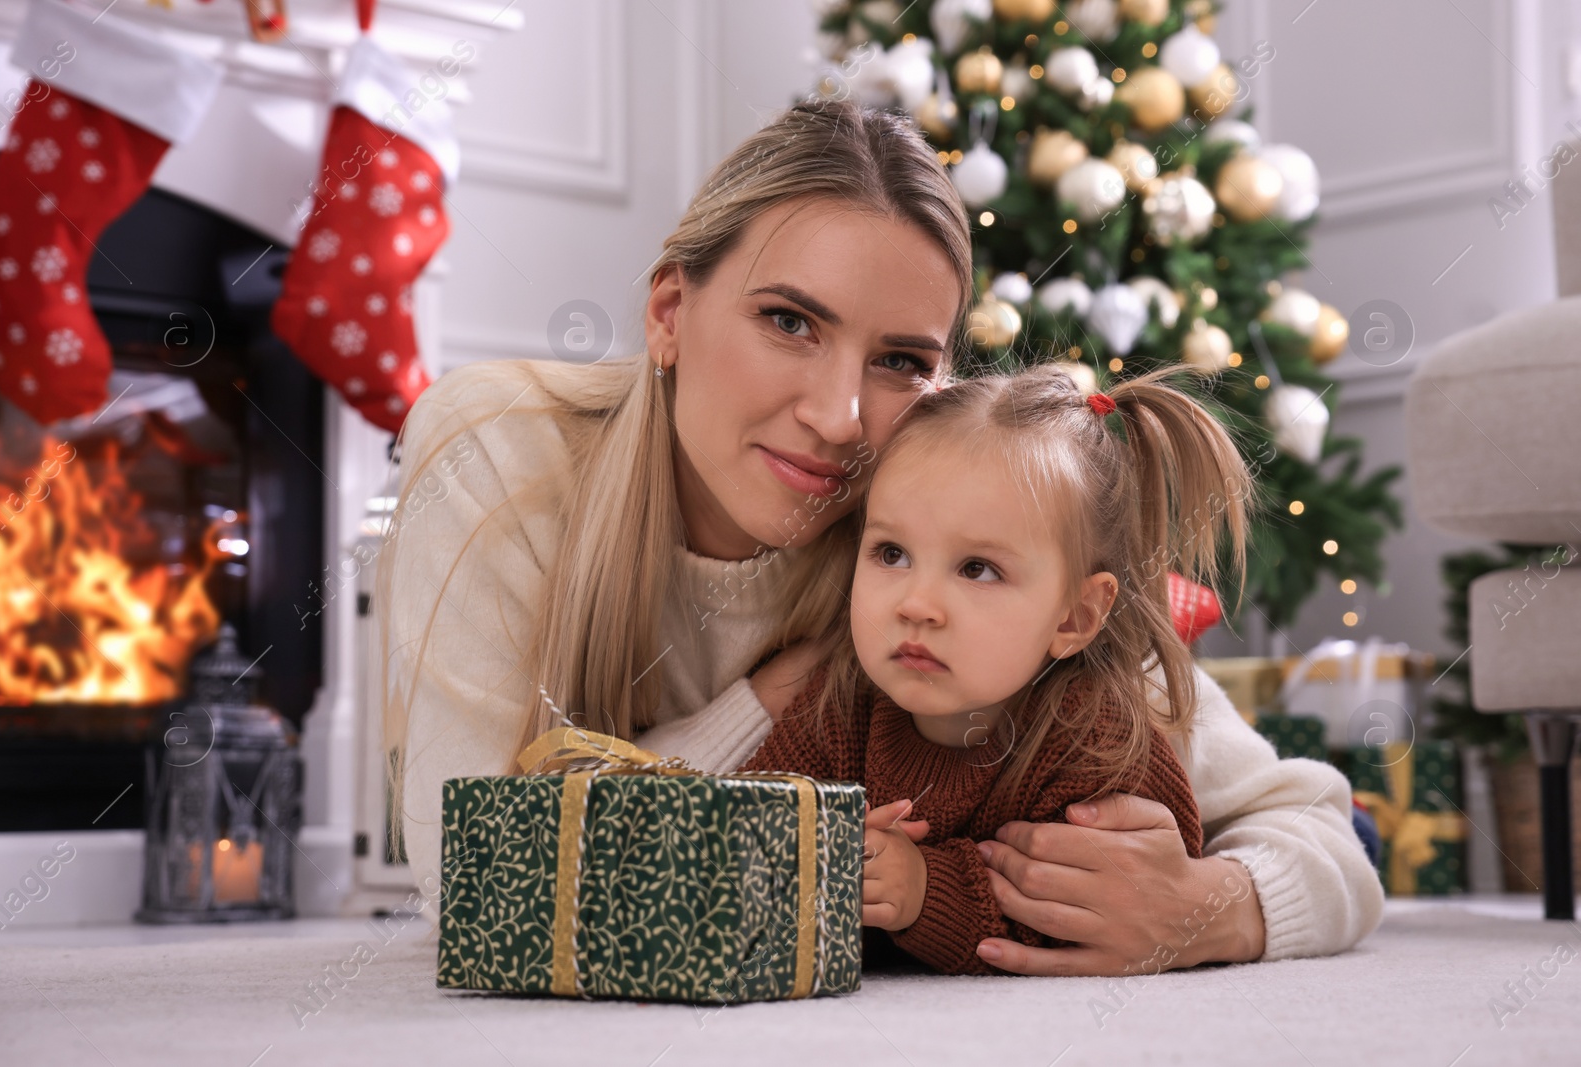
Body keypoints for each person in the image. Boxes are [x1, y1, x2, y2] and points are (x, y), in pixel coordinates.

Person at [375, 98, 1383, 976]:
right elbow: (473, 884)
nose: (839, 415)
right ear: (670, 310)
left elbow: (1316, 831)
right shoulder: (499, 454)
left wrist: (1212, 909)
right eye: (789, 321)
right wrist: (782, 693)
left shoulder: (931, 513)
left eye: (900, 359)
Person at [739, 365, 1225, 975]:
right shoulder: (840, 702)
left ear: (1073, 617)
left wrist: (923, 890)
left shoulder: (1093, 746)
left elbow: (1098, 919)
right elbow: (747, 835)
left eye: (977, 569)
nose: (915, 604)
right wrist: (808, 845)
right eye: (892, 554)